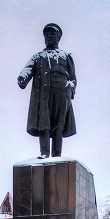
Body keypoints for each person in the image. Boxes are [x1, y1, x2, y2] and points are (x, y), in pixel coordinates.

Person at [17, 23, 76, 158]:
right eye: (47, 34)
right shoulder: (38, 56)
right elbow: (28, 68)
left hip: (62, 93)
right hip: (44, 93)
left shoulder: (66, 56)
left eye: (52, 34)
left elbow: (73, 78)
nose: (49, 36)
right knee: (44, 122)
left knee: (59, 124)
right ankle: (44, 152)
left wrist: (70, 89)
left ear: (58, 37)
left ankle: (57, 154)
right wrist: (22, 77)